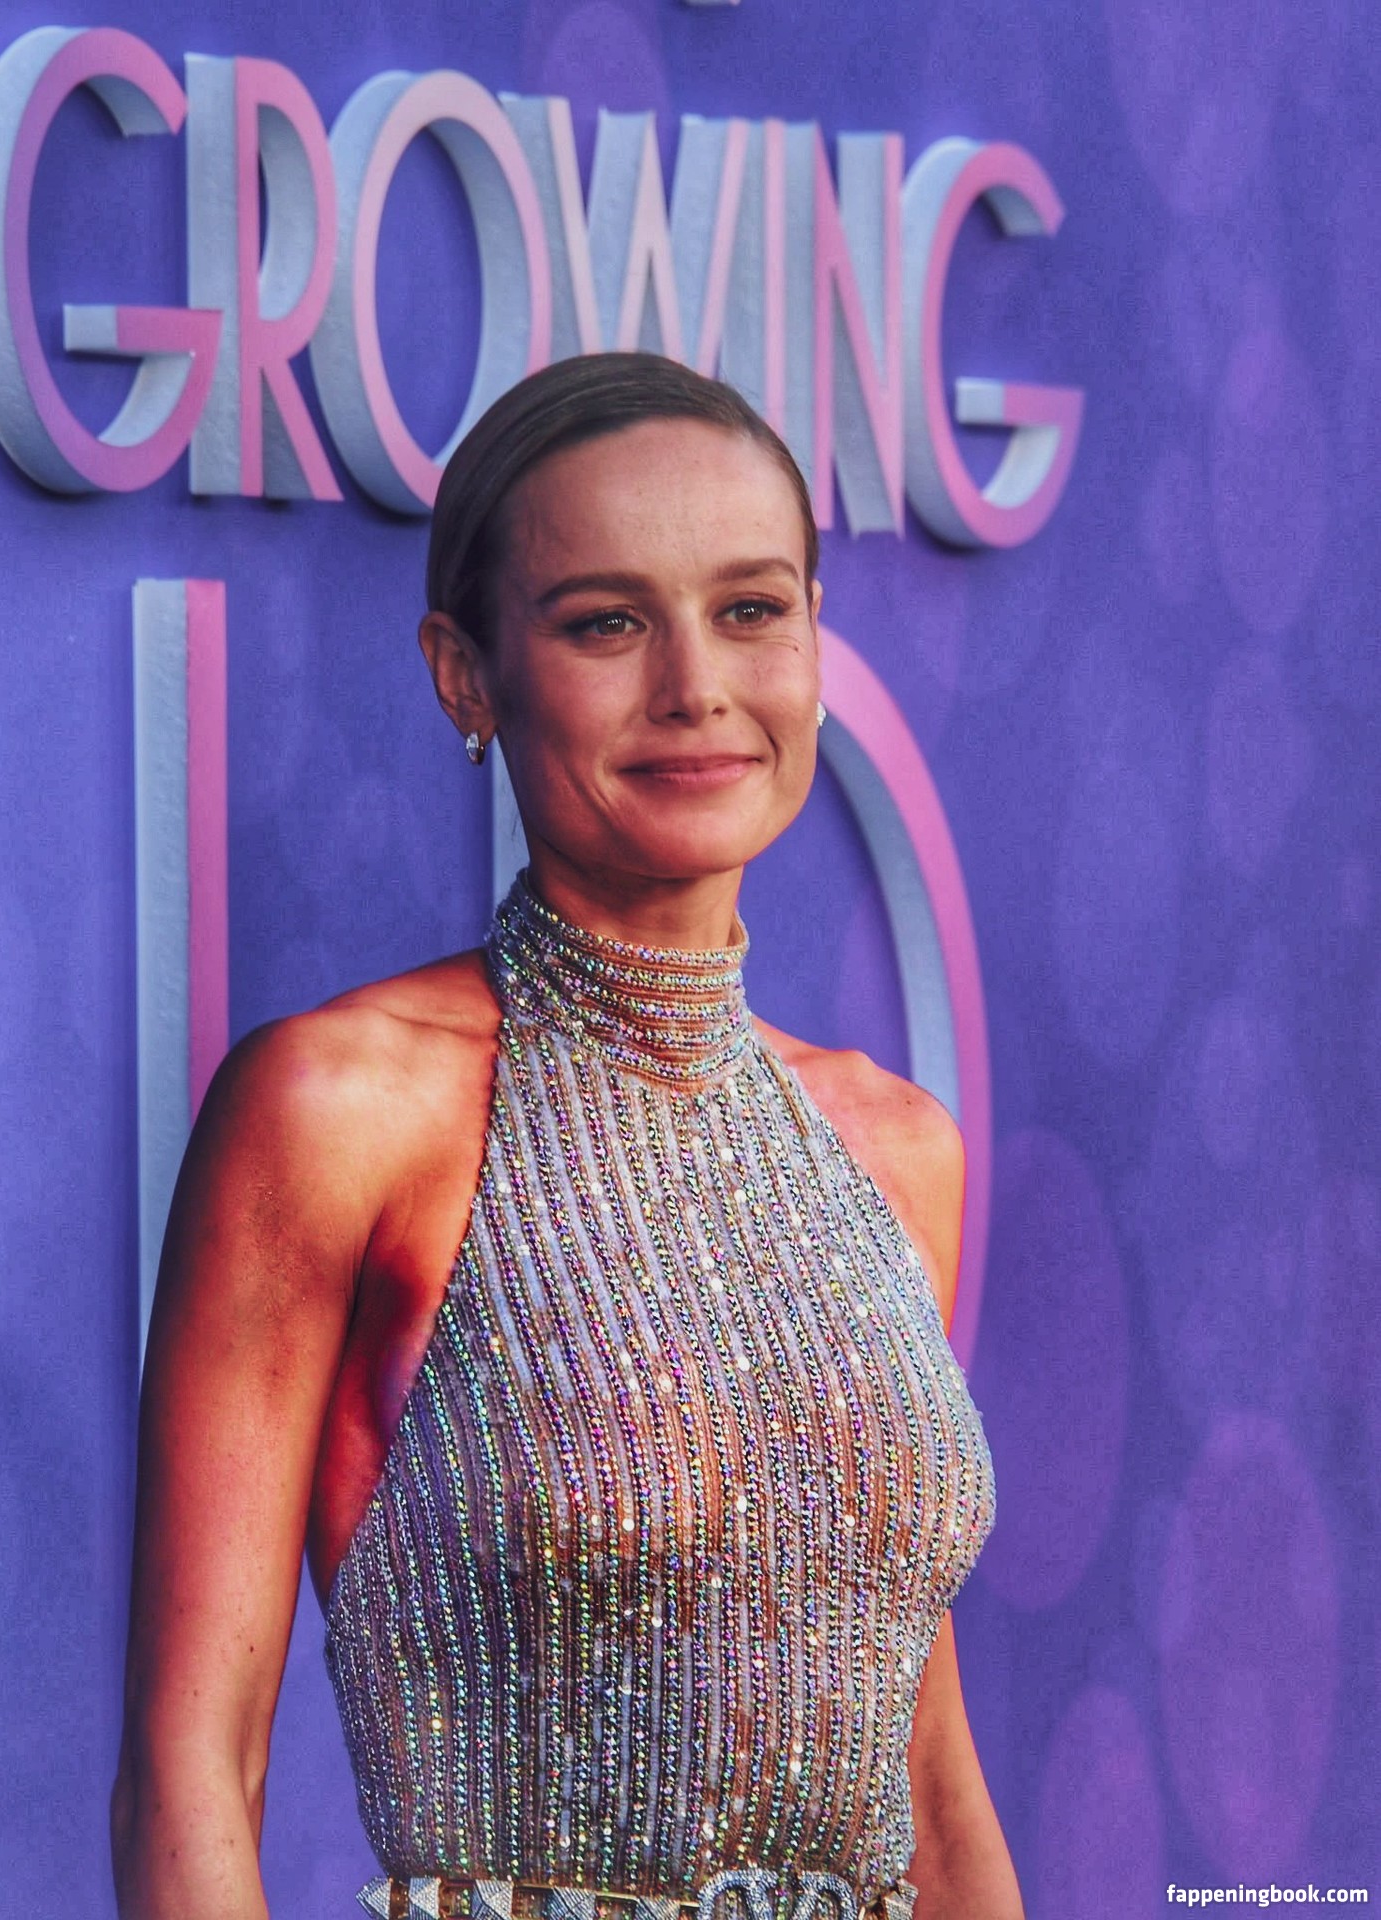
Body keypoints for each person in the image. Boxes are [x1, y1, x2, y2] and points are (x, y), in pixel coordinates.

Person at [110, 353, 1023, 1920]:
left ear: (813, 638)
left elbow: (927, 1784)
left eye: (751, 609)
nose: (695, 686)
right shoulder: (337, 1110)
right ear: (465, 677)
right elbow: (191, 1764)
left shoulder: (894, 1148)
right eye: (606, 623)